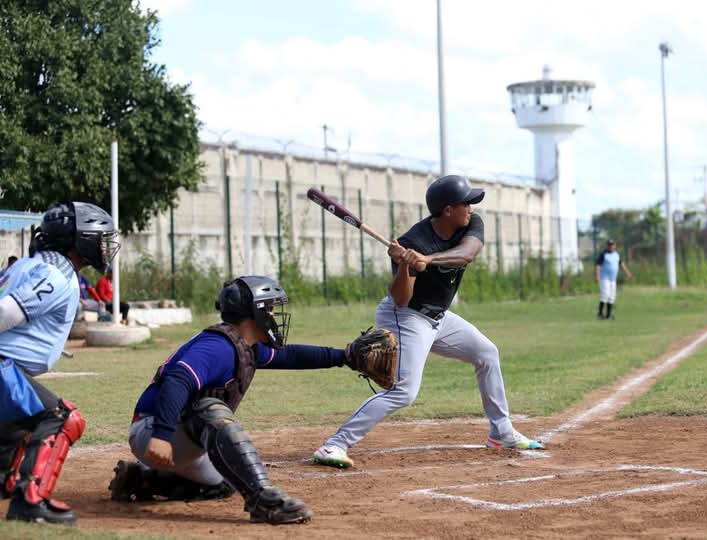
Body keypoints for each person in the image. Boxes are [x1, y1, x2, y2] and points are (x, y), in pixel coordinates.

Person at [313, 174, 544, 469]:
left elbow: (467, 254)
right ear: (448, 210)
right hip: (407, 317)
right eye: (466, 203)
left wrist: (428, 260)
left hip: (439, 317)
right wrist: (406, 267)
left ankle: (502, 433)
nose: (471, 208)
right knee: (404, 391)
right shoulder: (414, 240)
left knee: (487, 354)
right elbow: (400, 299)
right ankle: (335, 444)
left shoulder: (470, 224)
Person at [108, 275, 363, 525]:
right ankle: (264, 501)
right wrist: (161, 436)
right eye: (270, 309)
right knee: (210, 409)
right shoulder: (218, 347)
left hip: (183, 437)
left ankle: (141, 479)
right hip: (154, 431)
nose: (274, 316)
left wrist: (344, 357)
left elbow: (292, 355)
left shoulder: (244, 345)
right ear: (255, 314)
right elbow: (177, 379)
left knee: (227, 481)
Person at [0, 202, 119, 524]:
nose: (104, 244)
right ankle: (30, 501)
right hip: (2, 367)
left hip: (10, 370)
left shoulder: (27, 264)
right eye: (98, 237)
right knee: (62, 417)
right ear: (77, 240)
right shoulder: (54, 274)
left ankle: (6, 479)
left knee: (20, 422)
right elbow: (4, 313)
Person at [594, 239, 633, 320]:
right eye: (609, 245)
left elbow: (621, 264)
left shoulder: (616, 255)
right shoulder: (603, 254)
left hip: (613, 279)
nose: (611, 246)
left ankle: (608, 315)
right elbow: (598, 265)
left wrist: (628, 273)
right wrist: (597, 276)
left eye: (612, 245)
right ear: (607, 246)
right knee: (605, 295)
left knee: (612, 296)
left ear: (615, 246)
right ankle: (600, 314)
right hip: (604, 278)